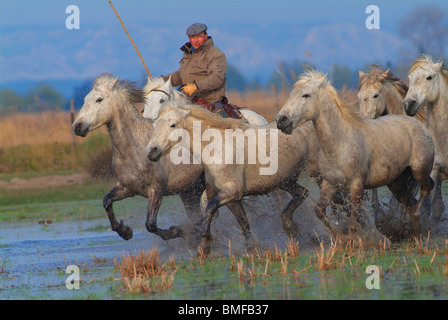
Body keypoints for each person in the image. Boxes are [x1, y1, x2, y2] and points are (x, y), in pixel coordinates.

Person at [163, 23, 233, 115]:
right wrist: (162, 80)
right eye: (193, 37)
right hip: (188, 101)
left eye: (199, 37)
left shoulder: (216, 55)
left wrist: (195, 87)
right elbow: (181, 76)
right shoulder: (187, 54)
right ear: (189, 38)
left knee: (222, 127)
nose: (196, 40)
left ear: (205, 36)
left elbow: (217, 78)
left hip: (211, 103)